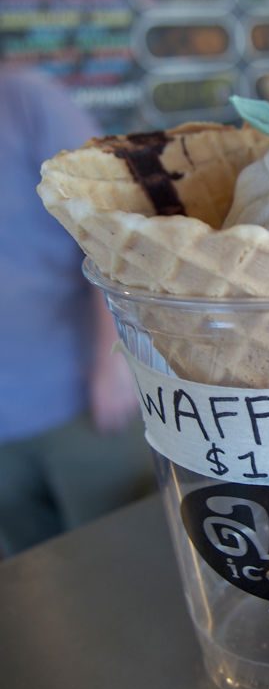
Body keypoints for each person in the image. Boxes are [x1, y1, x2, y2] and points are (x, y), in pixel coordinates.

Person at [0, 65, 154, 557]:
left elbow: (112, 224)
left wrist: (114, 357)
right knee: (33, 575)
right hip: (7, 431)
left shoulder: (24, 98)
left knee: (126, 559)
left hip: (83, 400)